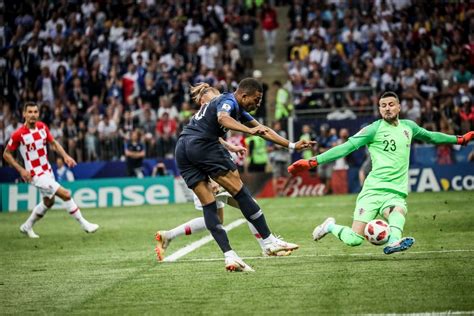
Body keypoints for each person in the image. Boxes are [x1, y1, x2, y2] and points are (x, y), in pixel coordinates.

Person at [288, 91, 473, 255]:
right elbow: (345, 148)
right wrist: (313, 161)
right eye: (383, 106)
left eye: (391, 104)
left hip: (395, 191)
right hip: (373, 191)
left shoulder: (409, 127)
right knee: (354, 239)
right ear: (379, 109)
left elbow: (432, 136)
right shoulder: (373, 129)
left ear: (399, 107)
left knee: (398, 210)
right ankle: (329, 226)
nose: (387, 108)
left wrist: (459, 139)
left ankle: (393, 243)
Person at [170, 78, 314, 271]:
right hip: (203, 145)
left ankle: (230, 256)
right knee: (240, 192)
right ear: (244, 95)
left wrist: (291, 145)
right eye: (257, 99)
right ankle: (269, 241)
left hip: (183, 148)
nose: (258, 103)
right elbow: (223, 118)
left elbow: (264, 130)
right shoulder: (228, 100)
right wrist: (249, 131)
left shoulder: (236, 108)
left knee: (209, 205)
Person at [3, 102, 99, 238]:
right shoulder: (19, 134)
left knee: (49, 201)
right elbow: (6, 154)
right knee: (65, 194)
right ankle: (84, 224)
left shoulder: (42, 127)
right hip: (35, 174)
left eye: (35, 112)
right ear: (24, 114)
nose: (33, 115)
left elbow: (53, 143)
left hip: (47, 170)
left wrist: (65, 156)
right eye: (29, 112)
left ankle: (27, 226)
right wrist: (21, 170)